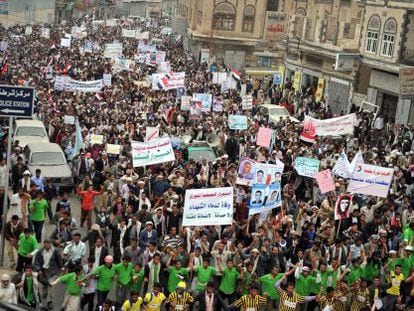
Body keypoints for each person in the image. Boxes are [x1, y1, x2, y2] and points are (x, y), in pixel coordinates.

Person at [33, 239, 63, 310]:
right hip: (43, 271)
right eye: (45, 243)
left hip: (52, 271)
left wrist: (61, 267)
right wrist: (39, 269)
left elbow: (59, 259)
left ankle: (50, 301)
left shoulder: (55, 251)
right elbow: (36, 261)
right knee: (45, 283)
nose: (47, 245)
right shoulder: (40, 251)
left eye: (48, 243)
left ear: (50, 244)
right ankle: (45, 291)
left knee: (50, 285)